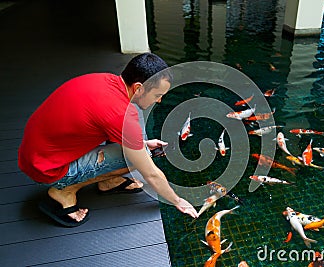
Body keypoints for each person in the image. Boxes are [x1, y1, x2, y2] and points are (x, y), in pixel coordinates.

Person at [18, 53, 198, 227]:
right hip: (46, 170)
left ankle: (108, 182)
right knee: (144, 158)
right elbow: (150, 173)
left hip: (35, 152)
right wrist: (178, 200)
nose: (159, 101)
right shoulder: (121, 115)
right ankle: (63, 191)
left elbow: (106, 120)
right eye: (158, 95)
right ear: (138, 88)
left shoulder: (105, 80)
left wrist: (141, 144)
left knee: (139, 149)